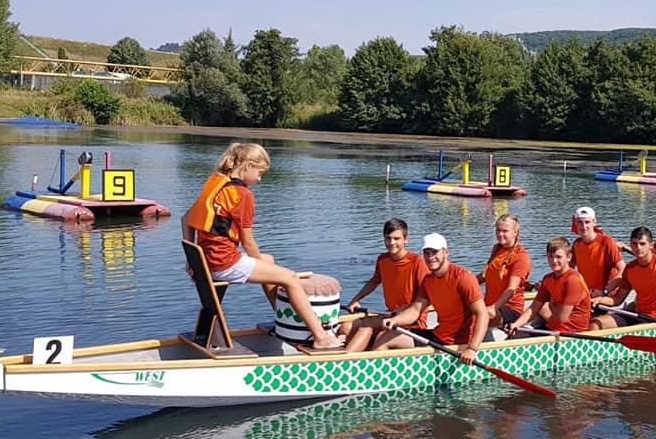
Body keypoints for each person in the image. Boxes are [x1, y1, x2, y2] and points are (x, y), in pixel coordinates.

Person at [182, 142, 342, 349]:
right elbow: (248, 243)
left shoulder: (217, 183)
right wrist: (274, 272)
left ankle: (284, 320)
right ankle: (321, 337)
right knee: (290, 278)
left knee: (268, 260)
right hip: (223, 263)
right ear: (248, 165)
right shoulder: (243, 195)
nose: (259, 179)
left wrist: (191, 257)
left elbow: (185, 220)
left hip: (207, 260)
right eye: (260, 172)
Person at [380, 233, 492, 364]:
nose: (430, 257)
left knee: (387, 339)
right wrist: (395, 320)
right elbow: (416, 310)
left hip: (458, 344)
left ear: (446, 252)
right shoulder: (428, 280)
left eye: (435, 252)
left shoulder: (463, 277)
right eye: (427, 253)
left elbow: (482, 314)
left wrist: (472, 349)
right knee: (385, 336)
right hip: (438, 335)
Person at [341, 218, 430, 352]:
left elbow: (427, 298)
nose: (391, 243)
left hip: (413, 322)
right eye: (388, 238)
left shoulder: (418, 262)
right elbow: (374, 281)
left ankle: (345, 362)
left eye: (396, 239)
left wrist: (403, 309)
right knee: (345, 328)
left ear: (406, 239)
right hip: (390, 315)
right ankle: (358, 353)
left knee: (366, 325)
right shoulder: (383, 260)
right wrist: (355, 300)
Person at [505, 237, 591, 335]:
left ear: (569, 257)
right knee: (515, 336)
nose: (554, 261)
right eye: (550, 256)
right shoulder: (548, 279)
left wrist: (550, 303)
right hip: (552, 328)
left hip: (572, 333)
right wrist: (516, 324)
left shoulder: (573, 280)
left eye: (558, 257)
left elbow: (561, 317)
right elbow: (533, 308)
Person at [479, 214, 531, 330]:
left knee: (476, 317)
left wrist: (493, 308)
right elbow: (484, 275)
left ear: (515, 232)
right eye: (498, 230)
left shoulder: (521, 257)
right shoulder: (497, 248)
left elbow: (511, 290)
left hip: (510, 309)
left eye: (505, 231)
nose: (500, 234)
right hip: (489, 304)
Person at [571, 206, 625, 307]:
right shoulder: (576, 244)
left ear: (594, 222)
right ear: (575, 223)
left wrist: (604, 291)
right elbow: (568, 270)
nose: (583, 226)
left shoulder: (606, 242)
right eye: (580, 222)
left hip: (605, 297)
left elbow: (623, 270)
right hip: (587, 295)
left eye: (587, 222)